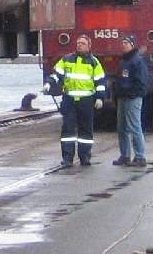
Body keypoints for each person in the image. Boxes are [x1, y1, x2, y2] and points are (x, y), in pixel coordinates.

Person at [45, 33, 108, 167]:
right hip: (69, 100)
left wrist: (100, 98)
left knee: (86, 130)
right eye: (78, 43)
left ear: (89, 46)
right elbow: (57, 74)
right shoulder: (67, 59)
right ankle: (67, 158)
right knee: (68, 129)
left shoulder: (94, 62)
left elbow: (100, 82)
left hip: (86, 101)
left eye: (83, 43)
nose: (80, 45)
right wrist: (49, 83)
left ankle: (84, 157)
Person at [112, 34, 149, 167]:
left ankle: (140, 156)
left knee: (134, 126)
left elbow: (142, 81)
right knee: (121, 128)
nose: (123, 45)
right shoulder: (124, 61)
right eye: (122, 43)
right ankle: (125, 155)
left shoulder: (137, 61)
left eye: (126, 43)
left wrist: (134, 93)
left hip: (133, 98)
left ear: (132, 45)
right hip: (122, 98)